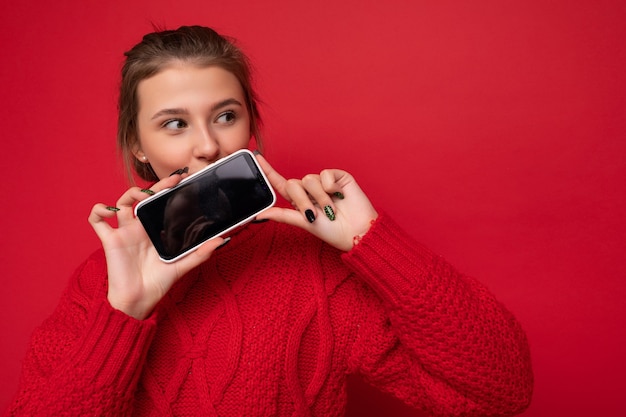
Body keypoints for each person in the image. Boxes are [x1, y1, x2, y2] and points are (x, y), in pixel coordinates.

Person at [4, 26, 533, 416]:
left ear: (250, 126)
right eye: (174, 124)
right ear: (139, 146)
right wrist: (125, 313)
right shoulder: (101, 285)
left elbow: (500, 393)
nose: (208, 144)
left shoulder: (313, 269)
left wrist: (375, 244)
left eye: (226, 116)